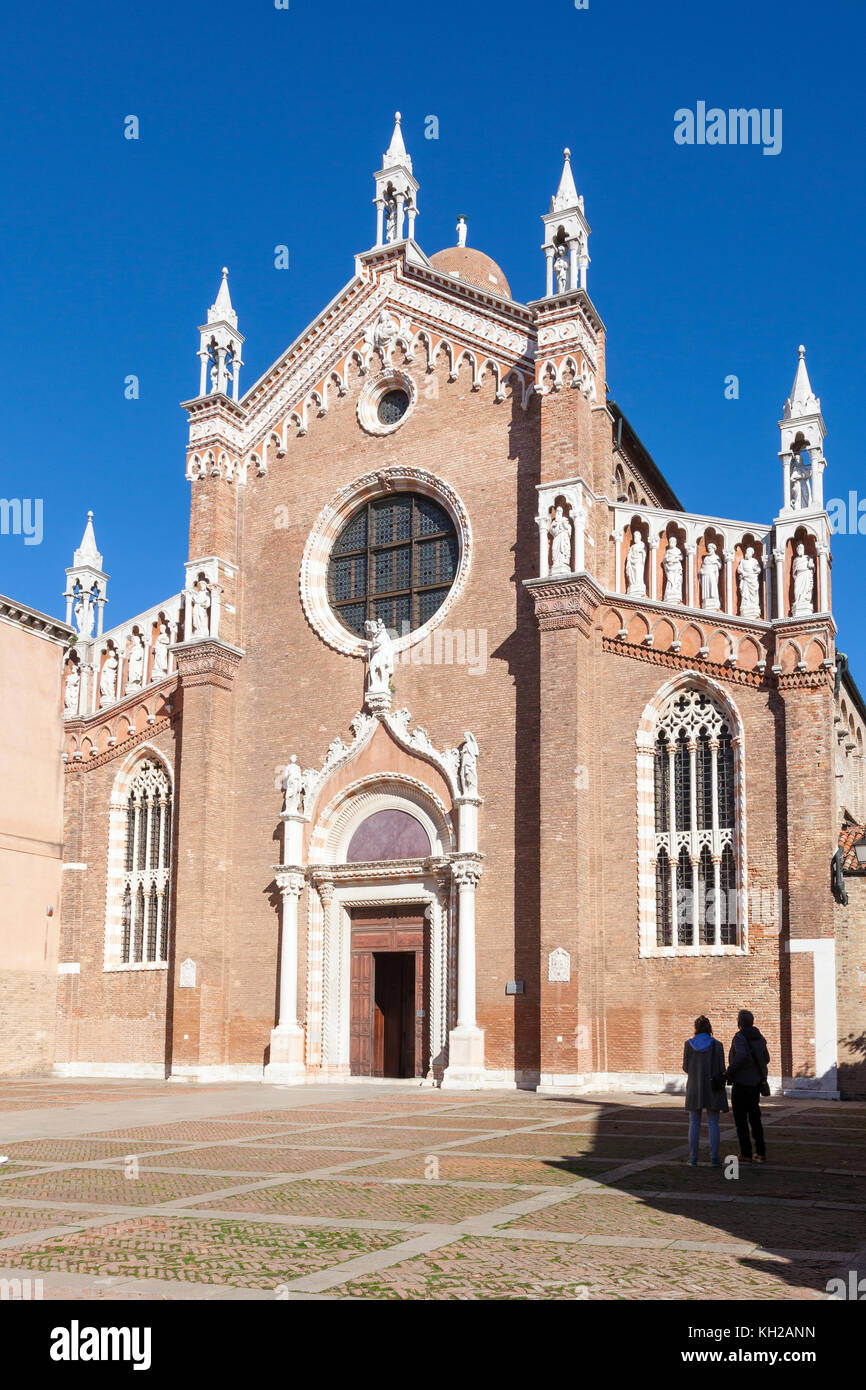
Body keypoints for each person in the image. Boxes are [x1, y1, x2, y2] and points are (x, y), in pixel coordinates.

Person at [682, 1015, 728, 1167]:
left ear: (696, 1029)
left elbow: (686, 1067)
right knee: (713, 1122)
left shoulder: (688, 1044)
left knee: (694, 1122)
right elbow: (722, 1069)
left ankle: (693, 1157)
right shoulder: (717, 1045)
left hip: (695, 1087)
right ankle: (714, 1157)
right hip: (713, 1088)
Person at [727, 1009, 770, 1163]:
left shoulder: (739, 1037)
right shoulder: (760, 1037)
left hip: (741, 1083)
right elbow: (767, 1058)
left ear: (739, 1022)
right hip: (756, 1083)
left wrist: (730, 1071)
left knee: (741, 1120)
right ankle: (761, 1152)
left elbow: (741, 1055)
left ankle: (746, 1153)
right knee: (755, 1118)